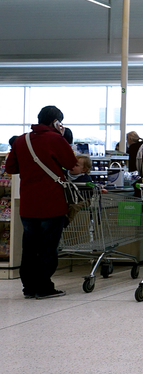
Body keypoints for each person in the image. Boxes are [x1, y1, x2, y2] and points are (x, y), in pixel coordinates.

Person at [5, 105, 79, 299]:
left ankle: (28, 287)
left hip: (28, 204)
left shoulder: (22, 140)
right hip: (51, 203)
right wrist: (63, 139)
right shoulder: (56, 139)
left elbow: (11, 167)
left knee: (29, 247)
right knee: (47, 247)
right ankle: (44, 287)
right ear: (56, 122)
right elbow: (71, 163)